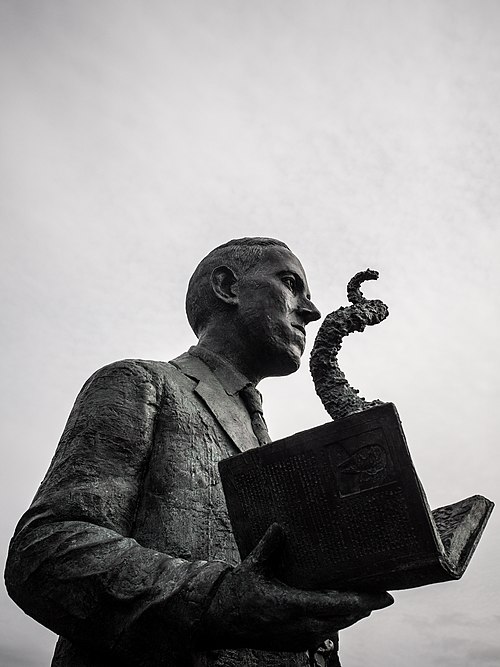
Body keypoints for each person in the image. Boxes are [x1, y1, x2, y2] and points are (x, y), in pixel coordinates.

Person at [5, 237, 393, 666]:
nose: (311, 310)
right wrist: (220, 599)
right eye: (290, 283)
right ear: (227, 287)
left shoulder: (265, 439)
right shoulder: (141, 383)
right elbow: (46, 551)